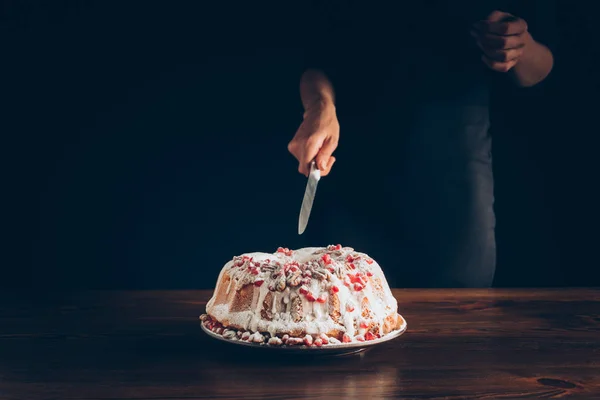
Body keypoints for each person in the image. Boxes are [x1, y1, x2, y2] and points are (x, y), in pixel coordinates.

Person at [286, 1, 555, 288]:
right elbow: (314, 58)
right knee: (342, 313)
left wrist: (519, 47)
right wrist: (320, 106)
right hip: (353, 179)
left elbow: (542, 66)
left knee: (459, 316)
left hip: (455, 189)